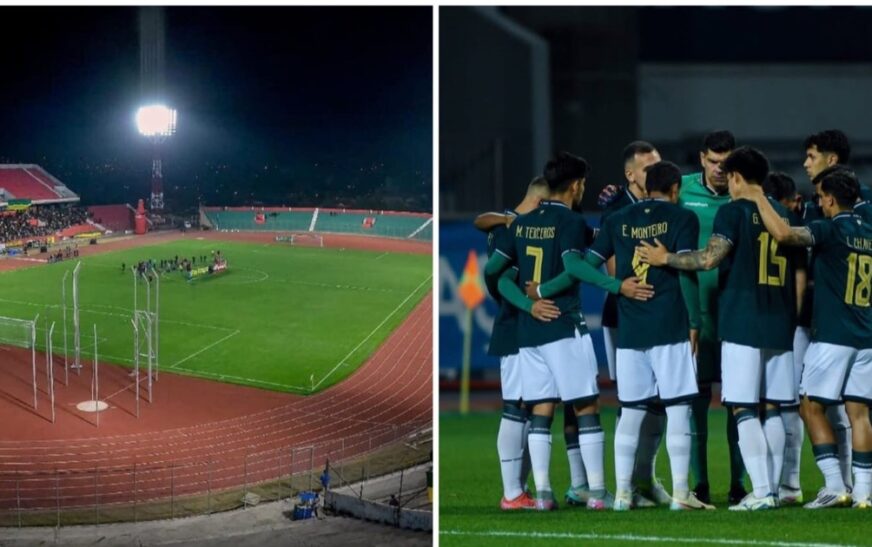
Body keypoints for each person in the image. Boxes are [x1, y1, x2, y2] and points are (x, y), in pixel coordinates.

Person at [534, 161, 711, 511]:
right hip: (670, 324)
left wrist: (544, 290)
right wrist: (695, 321)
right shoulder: (683, 218)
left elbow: (581, 265)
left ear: (646, 186)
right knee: (678, 408)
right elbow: (687, 272)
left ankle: (623, 495)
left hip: (629, 330)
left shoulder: (617, 220)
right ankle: (681, 494)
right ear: (675, 189)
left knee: (630, 412)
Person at [637, 146, 804, 511]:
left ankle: (762, 492)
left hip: (743, 320)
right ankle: (775, 489)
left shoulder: (732, 212)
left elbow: (709, 259)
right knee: (773, 408)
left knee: (743, 408)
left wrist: (666, 258)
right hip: (780, 322)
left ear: (737, 177)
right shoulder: (782, 214)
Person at [485, 151, 652, 511]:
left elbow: (497, 275)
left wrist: (528, 305)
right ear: (576, 185)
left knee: (540, 407)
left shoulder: (522, 224)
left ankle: (543, 493)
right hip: (563, 323)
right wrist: (616, 286)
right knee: (586, 404)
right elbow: (575, 266)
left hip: (530, 330)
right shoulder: (571, 221)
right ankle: (597, 493)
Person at [737, 168, 872, 509]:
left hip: (833, 335)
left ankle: (834, 485)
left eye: (821, 197)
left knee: (810, 406)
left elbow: (784, 234)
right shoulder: (870, 232)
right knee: (859, 413)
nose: (819, 203)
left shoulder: (829, 229)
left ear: (830, 199)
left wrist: (758, 198)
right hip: (866, 336)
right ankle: (864, 493)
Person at [475, 176, 552, 511]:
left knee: (529, 407)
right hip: (516, 324)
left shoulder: (507, 224)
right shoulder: (513, 229)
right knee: (516, 406)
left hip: (522, 324)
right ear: (541, 203)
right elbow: (498, 275)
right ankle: (512, 493)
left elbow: (481, 221)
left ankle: (518, 490)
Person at [678, 130, 746, 505]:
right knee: (697, 403)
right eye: (714, 161)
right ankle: (699, 483)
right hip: (696, 316)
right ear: (702, 158)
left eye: (726, 162)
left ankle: (740, 484)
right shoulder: (682, 189)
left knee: (739, 403)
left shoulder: (746, 191)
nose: (720, 169)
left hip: (736, 313)